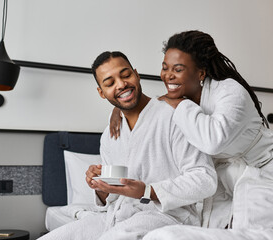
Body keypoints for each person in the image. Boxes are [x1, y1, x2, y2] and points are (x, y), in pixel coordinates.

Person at [110, 30, 273, 230]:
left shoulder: (230, 91)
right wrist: (120, 109)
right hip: (224, 180)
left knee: (252, 231)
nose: (168, 76)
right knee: (212, 230)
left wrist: (180, 104)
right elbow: (152, 107)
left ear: (200, 73)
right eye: (165, 67)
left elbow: (213, 141)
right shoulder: (177, 98)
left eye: (178, 69)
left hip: (263, 169)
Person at [38, 51, 217, 240]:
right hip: (116, 216)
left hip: (167, 216)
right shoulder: (109, 134)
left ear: (136, 75)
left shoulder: (174, 116)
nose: (121, 84)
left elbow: (205, 179)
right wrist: (99, 187)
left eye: (126, 75)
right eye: (109, 83)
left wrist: (148, 191)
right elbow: (112, 195)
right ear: (101, 92)